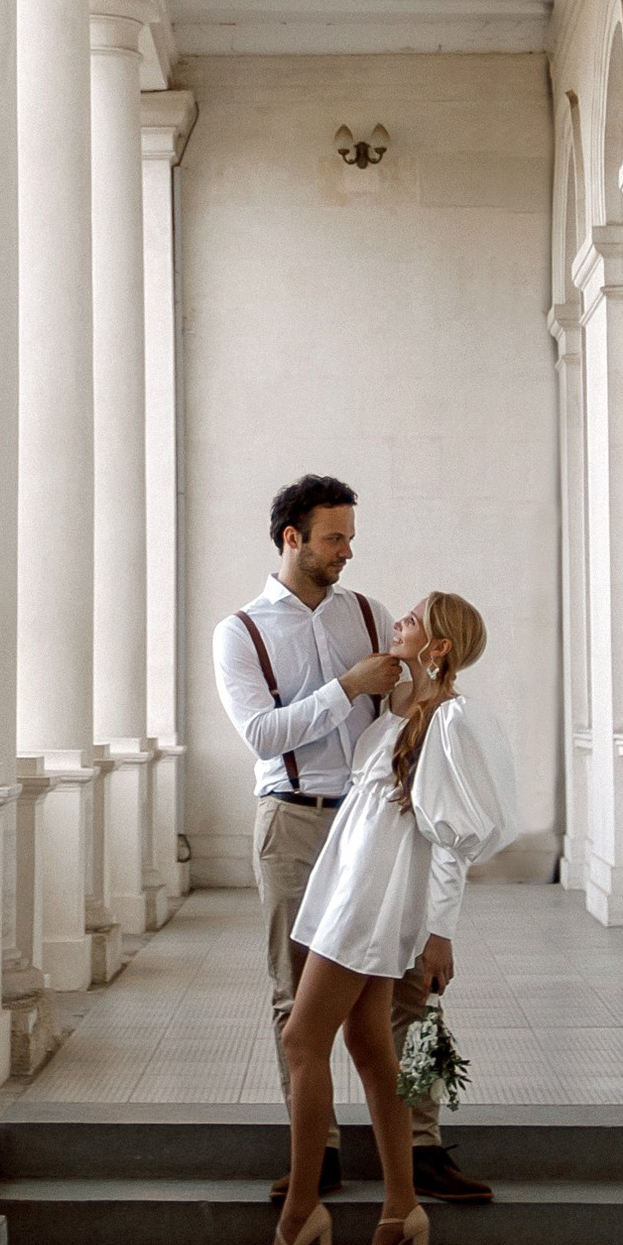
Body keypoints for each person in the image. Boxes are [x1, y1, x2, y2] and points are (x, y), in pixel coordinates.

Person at [212, 478, 491, 1206]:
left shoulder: (369, 615)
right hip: (296, 821)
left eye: (349, 537)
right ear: (292, 538)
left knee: (411, 987)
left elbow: (410, 711)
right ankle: (321, 1150)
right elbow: (262, 735)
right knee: (296, 990)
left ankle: (421, 1147)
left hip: (385, 825)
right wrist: (345, 685)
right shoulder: (240, 632)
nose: (347, 551)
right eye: (334, 537)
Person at [253, 594, 514, 1245]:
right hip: (351, 883)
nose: (399, 621)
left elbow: (454, 838)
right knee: (369, 1046)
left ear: (439, 646)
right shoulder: (398, 707)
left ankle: (301, 1214)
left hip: (372, 899)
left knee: (301, 1038)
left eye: (413, 619)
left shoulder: (450, 720)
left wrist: (439, 932)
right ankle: (400, 1211)